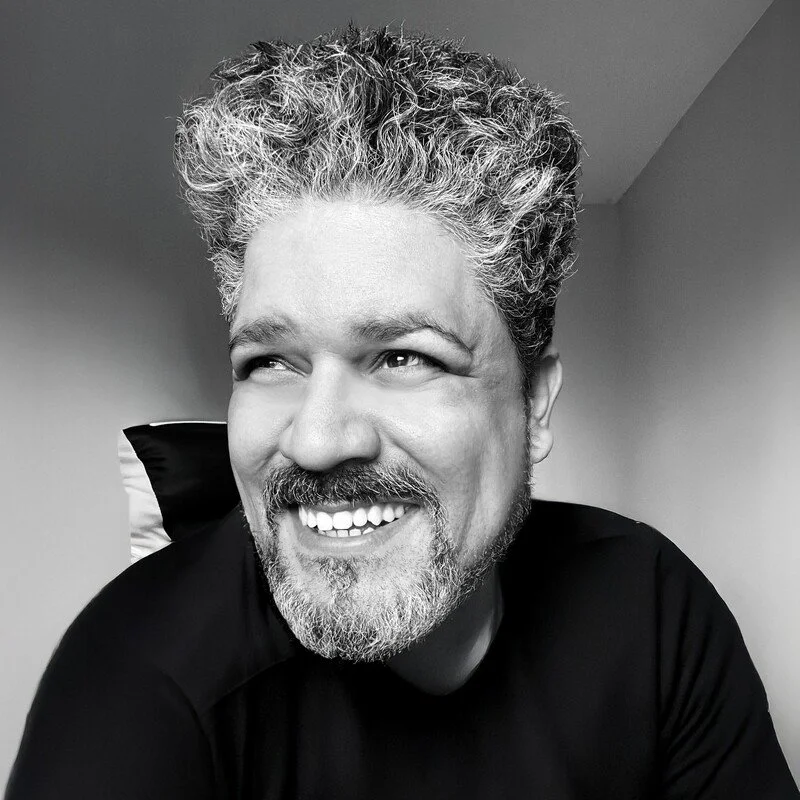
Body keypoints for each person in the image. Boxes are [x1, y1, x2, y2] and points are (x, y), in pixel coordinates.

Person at [6, 24, 798, 800]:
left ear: (534, 402)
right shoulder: (136, 680)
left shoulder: (649, 607)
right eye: (270, 362)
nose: (316, 441)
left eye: (403, 357)